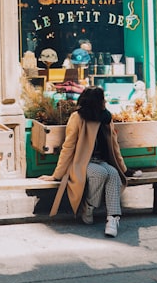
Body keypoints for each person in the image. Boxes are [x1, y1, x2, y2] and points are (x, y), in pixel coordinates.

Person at [38, 86, 138, 237]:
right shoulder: (77, 118)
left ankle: (112, 219)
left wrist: (123, 169)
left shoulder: (105, 118)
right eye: (102, 99)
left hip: (101, 161)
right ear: (96, 102)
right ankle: (89, 207)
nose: (105, 101)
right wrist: (56, 175)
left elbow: (114, 146)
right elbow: (68, 146)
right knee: (101, 173)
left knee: (113, 174)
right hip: (81, 163)